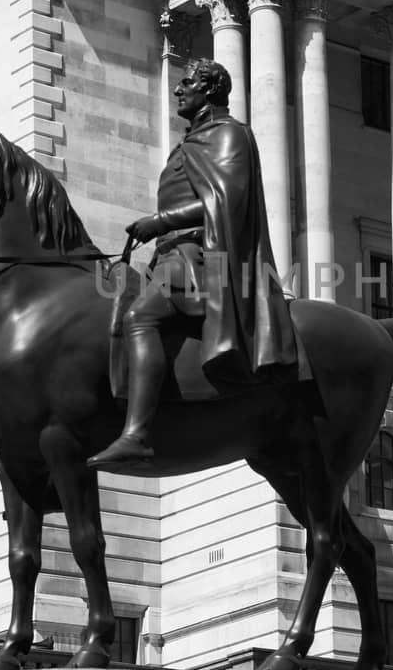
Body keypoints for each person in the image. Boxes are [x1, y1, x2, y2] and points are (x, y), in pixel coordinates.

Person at [87, 58, 297, 471]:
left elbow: (226, 201)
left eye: (187, 83)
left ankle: (137, 435)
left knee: (139, 318)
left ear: (211, 89)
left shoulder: (229, 134)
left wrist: (158, 221)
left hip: (201, 257)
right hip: (169, 254)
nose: (179, 90)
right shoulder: (192, 142)